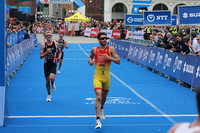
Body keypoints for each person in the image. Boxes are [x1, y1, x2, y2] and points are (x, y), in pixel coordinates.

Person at [88, 32, 120, 129]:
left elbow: (118, 61)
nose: (104, 40)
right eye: (102, 38)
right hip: (97, 77)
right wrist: (89, 61)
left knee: (104, 97)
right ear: (98, 40)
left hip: (106, 77)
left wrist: (109, 58)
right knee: (98, 97)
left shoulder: (111, 49)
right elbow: (90, 57)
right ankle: (97, 121)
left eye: (106, 38)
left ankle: (101, 108)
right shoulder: (94, 49)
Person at [40, 31, 61, 102]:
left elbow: (60, 52)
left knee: (52, 78)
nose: (48, 36)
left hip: (53, 63)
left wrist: (59, 57)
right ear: (45, 37)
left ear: (52, 36)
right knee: (47, 80)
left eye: (50, 35)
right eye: (47, 35)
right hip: (46, 64)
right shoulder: (43, 45)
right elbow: (40, 56)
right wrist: (46, 52)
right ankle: (49, 94)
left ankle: (53, 83)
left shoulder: (56, 44)